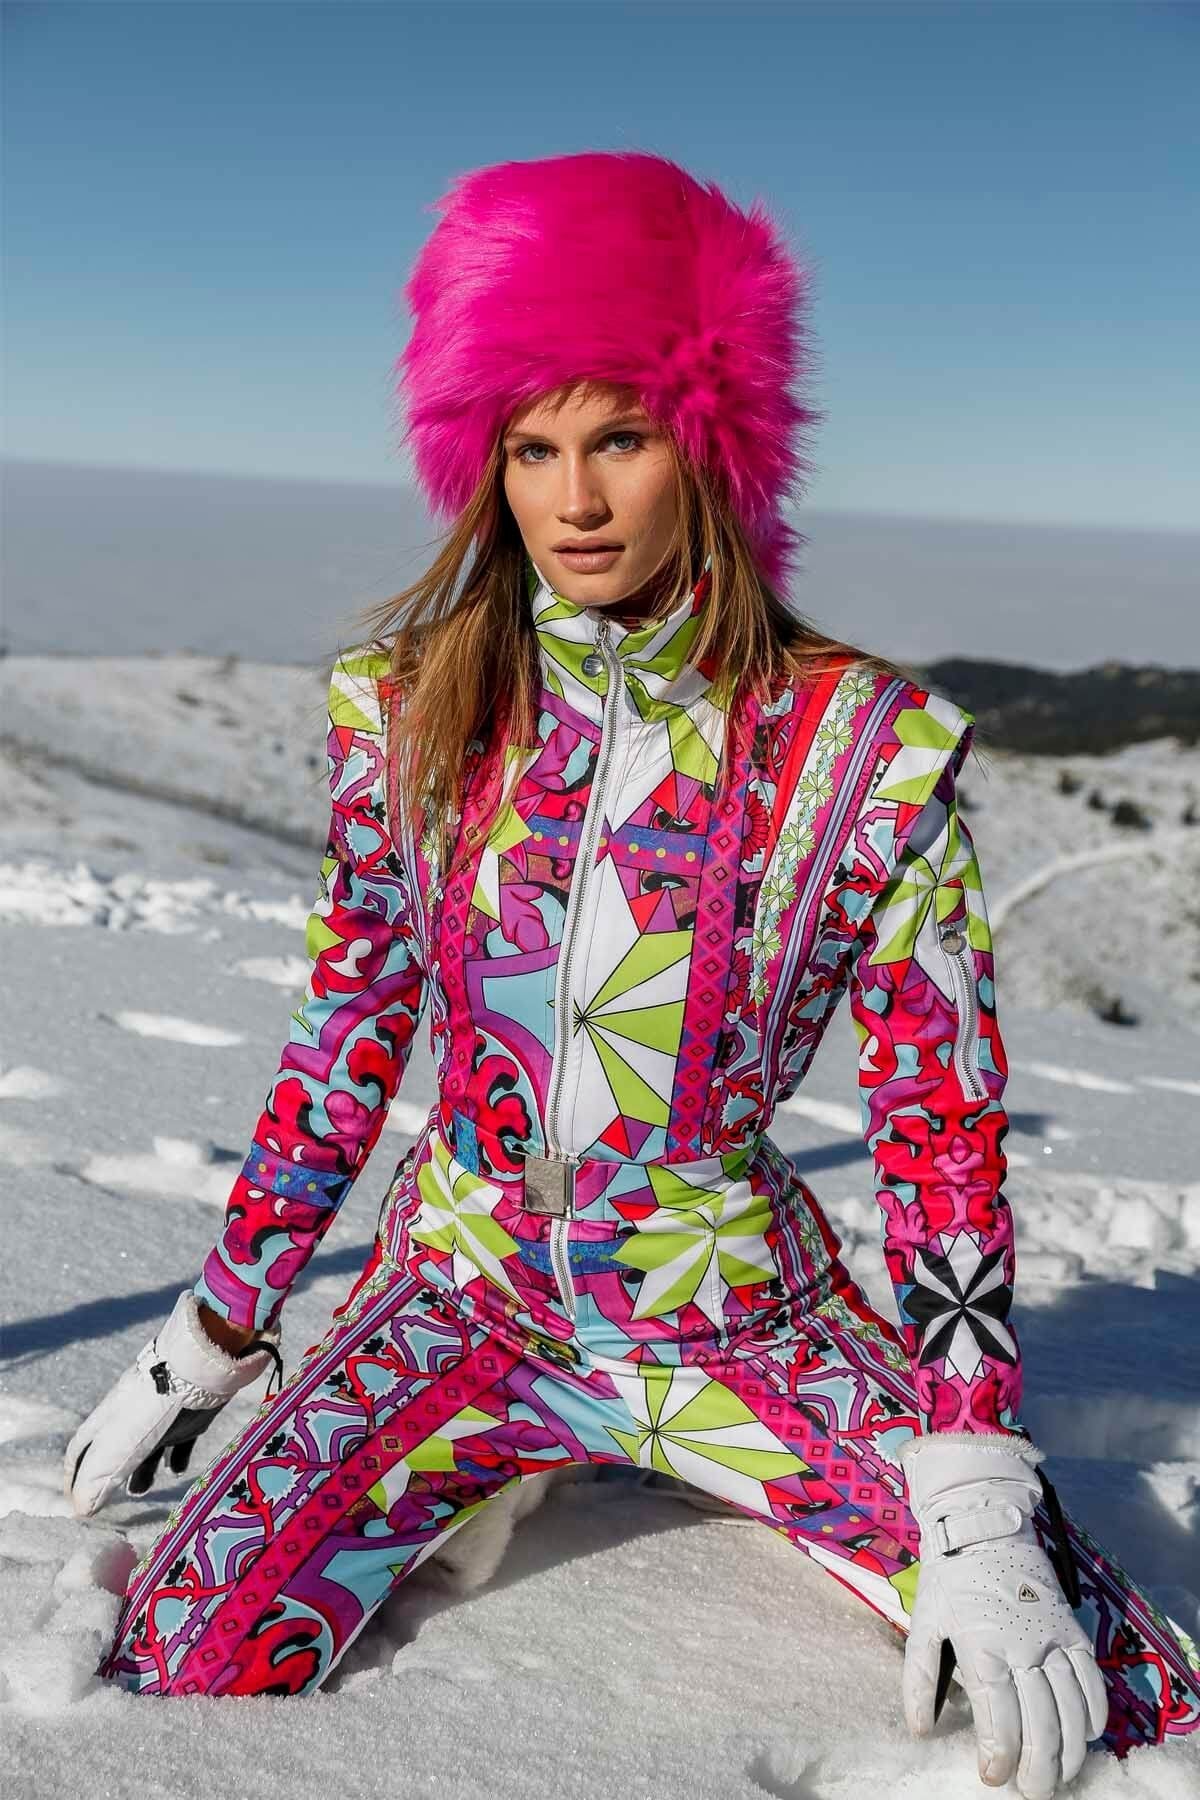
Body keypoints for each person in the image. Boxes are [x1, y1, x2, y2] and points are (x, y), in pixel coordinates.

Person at [65, 151, 1199, 1793]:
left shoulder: (864, 749)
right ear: (483, 462)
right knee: (185, 1652)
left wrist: (970, 1486)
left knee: (1114, 1690)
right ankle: (502, 1456)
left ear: (712, 447)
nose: (574, 499)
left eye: (621, 438)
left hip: (735, 1318)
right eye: (532, 448)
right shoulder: (409, 709)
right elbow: (347, 1033)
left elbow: (938, 1123)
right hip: (458, 1301)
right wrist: (215, 1328)